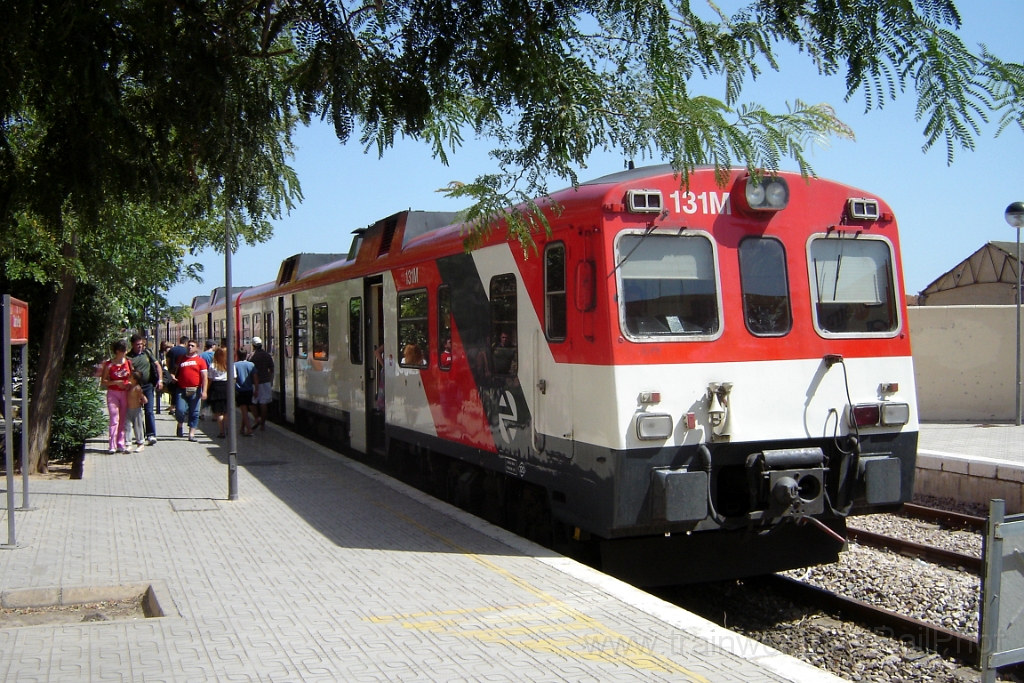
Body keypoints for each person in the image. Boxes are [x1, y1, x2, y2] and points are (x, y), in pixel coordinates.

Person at [127, 333, 162, 445]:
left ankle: (151, 435)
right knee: (137, 412)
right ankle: (140, 434)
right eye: (137, 344)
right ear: (132, 344)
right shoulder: (128, 357)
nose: (140, 346)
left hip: (148, 386)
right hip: (135, 388)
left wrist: (160, 380)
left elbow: (157, 365)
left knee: (149, 410)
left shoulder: (147, 353)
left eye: (141, 344)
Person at [172, 340, 208, 442]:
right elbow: (174, 371)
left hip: (195, 389)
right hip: (181, 389)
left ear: (197, 348)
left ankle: (191, 434)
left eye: (192, 346)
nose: (190, 347)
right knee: (180, 410)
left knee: (194, 412)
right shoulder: (181, 359)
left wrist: (204, 391)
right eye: (188, 345)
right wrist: (172, 376)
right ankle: (180, 424)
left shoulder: (200, 361)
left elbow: (204, 377)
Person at [100, 340, 133, 454]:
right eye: (123, 350)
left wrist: (129, 384)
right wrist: (116, 383)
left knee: (123, 419)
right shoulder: (109, 364)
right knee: (114, 419)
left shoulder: (128, 362)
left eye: (126, 350)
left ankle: (121, 443)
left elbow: (132, 376)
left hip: (125, 393)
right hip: (113, 393)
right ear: (117, 351)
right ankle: (112, 445)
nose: (125, 352)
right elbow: (103, 381)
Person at [249, 336, 274, 431]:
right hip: (266, 382)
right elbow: (271, 369)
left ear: (253, 345)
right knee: (264, 403)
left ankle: (257, 418)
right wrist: (270, 380)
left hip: (254, 383)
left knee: (252, 402)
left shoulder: (251, 356)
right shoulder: (267, 355)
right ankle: (263, 424)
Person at [233, 349, 258, 436]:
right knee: (246, 409)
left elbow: (233, 379)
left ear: (237, 355)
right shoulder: (251, 364)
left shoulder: (234, 365)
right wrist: (256, 389)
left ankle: (249, 429)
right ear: (246, 355)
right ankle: (242, 428)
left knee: (244, 412)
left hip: (240, 391)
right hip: (249, 390)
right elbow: (255, 377)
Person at [164, 336, 189, 416]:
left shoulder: (172, 350)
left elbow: (167, 361)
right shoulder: (186, 351)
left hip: (173, 372)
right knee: (183, 391)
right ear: (186, 343)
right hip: (183, 373)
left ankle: (172, 407)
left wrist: (169, 370)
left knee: (173, 391)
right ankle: (183, 407)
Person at [126, 370, 148, 452]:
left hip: (137, 410)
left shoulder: (137, 388)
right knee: (127, 426)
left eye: (130, 377)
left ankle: (140, 443)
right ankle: (128, 444)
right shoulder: (129, 386)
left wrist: (144, 400)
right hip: (128, 409)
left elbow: (143, 397)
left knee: (138, 427)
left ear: (135, 379)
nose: (129, 377)